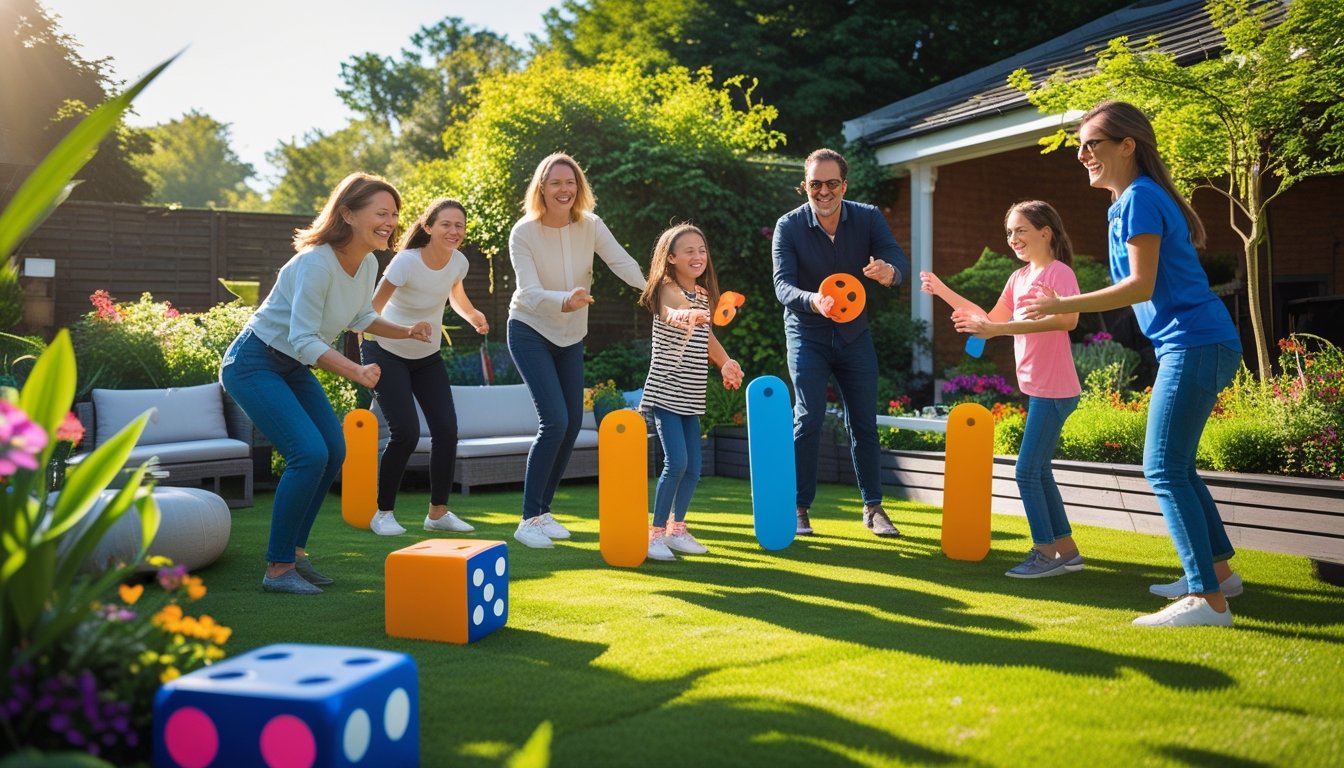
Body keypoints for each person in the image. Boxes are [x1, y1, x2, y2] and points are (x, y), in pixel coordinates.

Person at [1022, 101, 1244, 627]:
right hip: (1192, 342)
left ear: (1128, 145)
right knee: (1179, 466)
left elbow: (1139, 286)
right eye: (1079, 145)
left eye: (1091, 144)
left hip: (1194, 341)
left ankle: (1207, 600)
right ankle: (1220, 573)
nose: (1081, 155)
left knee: (1162, 468)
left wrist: (1059, 305)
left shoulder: (1142, 197)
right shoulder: (1127, 203)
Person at [220, 172, 434, 595]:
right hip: (254, 361)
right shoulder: (317, 262)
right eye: (381, 213)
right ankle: (278, 568)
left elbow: (360, 319)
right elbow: (302, 337)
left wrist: (407, 331)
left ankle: (295, 555)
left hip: (292, 364)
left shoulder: (369, 262)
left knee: (334, 450)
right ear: (348, 214)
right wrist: (356, 371)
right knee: (308, 452)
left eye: (394, 214)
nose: (390, 222)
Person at [921, 201, 1084, 578]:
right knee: (1039, 472)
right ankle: (1067, 552)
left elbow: (1069, 319)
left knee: (1026, 472)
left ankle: (1045, 553)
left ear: (1046, 232)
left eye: (1021, 230)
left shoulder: (1059, 274)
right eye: (1009, 232)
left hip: (1055, 389)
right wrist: (943, 290)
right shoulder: (1019, 278)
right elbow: (989, 321)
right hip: (1039, 388)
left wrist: (999, 329)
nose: (1013, 238)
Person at [506, 153, 646, 549]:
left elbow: (621, 262)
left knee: (570, 425)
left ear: (579, 187)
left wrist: (656, 288)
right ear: (542, 188)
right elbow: (529, 293)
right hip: (530, 329)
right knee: (553, 421)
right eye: (555, 182)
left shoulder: (591, 226)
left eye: (570, 182)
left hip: (571, 336)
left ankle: (543, 511)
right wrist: (565, 298)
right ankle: (527, 519)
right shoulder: (524, 232)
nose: (564, 189)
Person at [772, 148, 910, 538]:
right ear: (805, 186)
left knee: (863, 421)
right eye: (815, 184)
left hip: (854, 335)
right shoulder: (789, 226)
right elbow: (782, 285)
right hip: (807, 333)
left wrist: (888, 273)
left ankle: (873, 508)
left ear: (844, 185)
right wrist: (813, 300)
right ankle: (799, 508)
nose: (824, 191)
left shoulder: (867, 217)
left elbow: (897, 261)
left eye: (832, 183)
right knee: (808, 417)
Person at [361, 198, 489, 537]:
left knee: (447, 431)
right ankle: (383, 512)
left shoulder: (457, 262)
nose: (454, 231)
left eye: (459, 225)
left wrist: (473, 315)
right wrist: (404, 332)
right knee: (406, 432)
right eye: (446, 224)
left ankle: (438, 512)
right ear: (429, 227)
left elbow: (455, 295)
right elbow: (367, 314)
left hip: (426, 357)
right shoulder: (405, 263)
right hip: (385, 351)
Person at [637, 224, 745, 561]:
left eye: (701, 249)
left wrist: (725, 362)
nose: (698, 256)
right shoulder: (663, 288)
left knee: (694, 466)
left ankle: (677, 529)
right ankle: (653, 535)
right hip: (666, 390)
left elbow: (708, 337)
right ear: (671, 258)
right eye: (689, 251)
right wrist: (688, 315)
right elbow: (671, 313)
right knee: (677, 461)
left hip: (691, 391)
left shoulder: (704, 295)